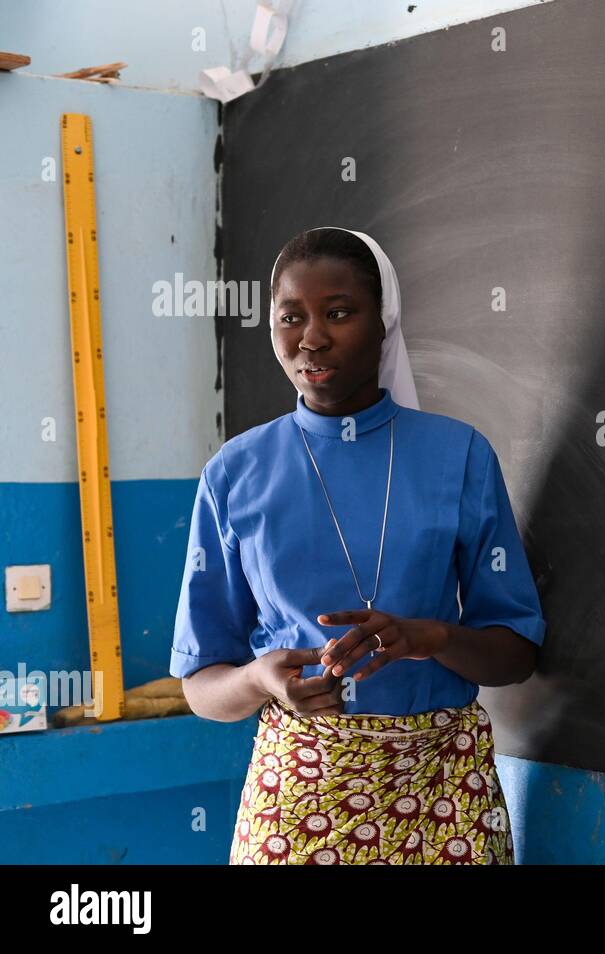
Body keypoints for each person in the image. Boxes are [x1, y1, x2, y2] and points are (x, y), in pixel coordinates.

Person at [169, 226, 546, 865]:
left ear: (384, 322)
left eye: (339, 314)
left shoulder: (458, 456)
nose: (311, 338)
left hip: (441, 788)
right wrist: (262, 678)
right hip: (298, 797)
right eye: (291, 318)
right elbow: (201, 685)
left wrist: (434, 639)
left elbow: (515, 655)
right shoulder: (235, 474)